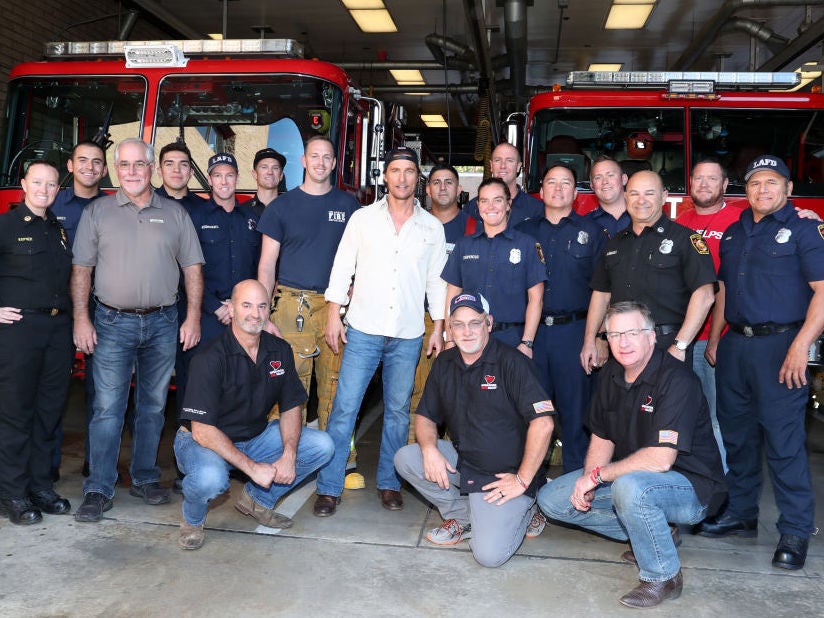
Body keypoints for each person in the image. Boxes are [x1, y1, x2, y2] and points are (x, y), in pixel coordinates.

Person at [538, 301, 726, 609]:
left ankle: (663, 576)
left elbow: (661, 459)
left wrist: (599, 476)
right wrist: (588, 479)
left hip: (691, 485)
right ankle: (656, 534)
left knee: (631, 488)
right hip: (636, 478)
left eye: (632, 333)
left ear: (652, 336)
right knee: (552, 499)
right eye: (614, 335)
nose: (623, 342)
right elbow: (602, 435)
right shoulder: (611, 375)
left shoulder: (677, 380)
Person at [697, 155, 824, 571]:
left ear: (788, 188)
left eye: (772, 182)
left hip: (782, 346)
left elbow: (822, 292)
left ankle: (795, 530)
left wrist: (800, 346)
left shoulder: (806, 230)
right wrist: (716, 339)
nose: (763, 190)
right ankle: (741, 513)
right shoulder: (733, 234)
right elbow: (725, 292)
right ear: (745, 189)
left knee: (784, 443)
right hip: (736, 347)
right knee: (738, 437)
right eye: (755, 183)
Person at [71, 138, 205, 522]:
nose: (132, 172)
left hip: (164, 322)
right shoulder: (97, 212)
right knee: (107, 409)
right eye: (125, 164)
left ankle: (145, 478)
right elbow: (81, 270)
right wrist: (82, 319)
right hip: (111, 322)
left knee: (152, 407)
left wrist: (192, 317)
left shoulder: (176, 213)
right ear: (116, 169)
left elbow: (192, 268)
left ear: (152, 169)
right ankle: (99, 487)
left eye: (139, 164)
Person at [313, 146, 447, 516]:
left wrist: (439, 326)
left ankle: (389, 483)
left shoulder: (431, 228)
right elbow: (342, 267)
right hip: (363, 330)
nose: (402, 178)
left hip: (407, 334)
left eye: (409, 171)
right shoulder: (362, 219)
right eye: (395, 171)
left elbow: (436, 281)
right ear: (384, 177)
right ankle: (329, 486)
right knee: (344, 409)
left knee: (399, 412)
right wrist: (333, 313)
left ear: (417, 177)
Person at [394, 292, 554, 567]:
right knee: (407, 458)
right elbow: (425, 417)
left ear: (489, 323)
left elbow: (544, 422)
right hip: (466, 462)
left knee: (488, 555)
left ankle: (531, 505)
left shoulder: (512, 362)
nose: (466, 331)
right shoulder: (445, 363)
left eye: (475, 323)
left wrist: (522, 479)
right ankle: (463, 516)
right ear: (450, 329)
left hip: (507, 475)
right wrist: (429, 448)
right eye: (458, 324)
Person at [174, 280, 334, 550]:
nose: (255, 314)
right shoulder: (210, 357)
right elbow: (202, 430)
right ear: (232, 310)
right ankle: (192, 519)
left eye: (261, 306)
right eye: (246, 305)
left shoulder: (279, 350)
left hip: (255, 435)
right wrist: (252, 468)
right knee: (210, 480)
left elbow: (291, 405)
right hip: (203, 441)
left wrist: (289, 455)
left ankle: (257, 501)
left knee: (322, 446)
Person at [257, 136, 359, 429]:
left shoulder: (349, 206)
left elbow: (360, 259)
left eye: (327, 157)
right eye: (314, 156)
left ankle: (339, 461)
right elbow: (266, 264)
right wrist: (264, 313)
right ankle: (287, 459)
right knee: (288, 388)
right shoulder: (280, 207)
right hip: (292, 307)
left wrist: (353, 292)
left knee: (336, 388)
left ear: (335, 163)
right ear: (304, 161)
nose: (320, 163)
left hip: (335, 309)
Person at [517, 164, 609, 472]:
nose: (558, 188)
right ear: (541, 191)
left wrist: (599, 337)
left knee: (575, 414)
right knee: (533, 413)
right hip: (533, 336)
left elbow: (606, 288)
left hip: (575, 334)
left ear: (576, 192)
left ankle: (574, 488)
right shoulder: (524, 231)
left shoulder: (593, 233)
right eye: (551, 182)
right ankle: (531, 487)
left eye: (565, 183)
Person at [580, 170, 716, 374]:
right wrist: (593, 339)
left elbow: (705, 296)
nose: (641, 200)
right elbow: (601, 295)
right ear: (625, 197)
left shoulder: (686, 240)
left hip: (666, 348)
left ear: (664, 196)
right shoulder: (615, 243)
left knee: (668, 406)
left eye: (650, 193)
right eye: (634, 193)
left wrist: (679, 346)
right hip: (620, 348)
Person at [0, 161, 75, 525]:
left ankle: (40, 486)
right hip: (20, 331)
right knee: (15, 413)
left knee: (48, 412)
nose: (45, 189)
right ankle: (12, 492)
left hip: (57, 331)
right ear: (23, 184)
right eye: (38, 182)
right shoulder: (6, 225)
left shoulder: (57, 229)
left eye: (51, 184)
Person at [675, 159, 742, 470]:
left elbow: (729, 285)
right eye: (698, 178)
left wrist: (805, 214)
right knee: (682, 415)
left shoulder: (741, 220)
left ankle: (721, 489)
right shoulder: (679, 222)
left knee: (717, 417)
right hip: (679, 339)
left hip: (715, 340)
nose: (703, 184)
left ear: (725, 185)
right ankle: (690, 483)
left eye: (711, 179)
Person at [50, 140, 108, 480]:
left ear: (103, 170)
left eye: (96, 162)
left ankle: (96, 463)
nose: (89, 167)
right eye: (82, 160)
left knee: (101, 392)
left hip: (101, 307)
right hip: (58, 307)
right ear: (70, 166)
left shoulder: (115, 208)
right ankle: (48, 466)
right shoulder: (51, 204)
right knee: (54, 388)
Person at [442, 177, 545, 352]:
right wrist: (450, 339)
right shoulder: (464, 245)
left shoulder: (527, 245)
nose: (491, 207)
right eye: (484, 201)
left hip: (512, 339)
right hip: (469, 340)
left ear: (508, 204)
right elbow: (451, 297)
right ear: (478, 206)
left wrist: (527, 343)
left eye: (497, 200)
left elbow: (537, 299)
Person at [408, 163, 471, 442]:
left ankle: (458, 458)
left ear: (459, 190)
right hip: (422, 320)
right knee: (419, 390)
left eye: (448, 182)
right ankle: (416, 450)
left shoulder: (473, 226)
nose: (442, 187)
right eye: (436, 182)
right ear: (427, 190)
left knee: (461, 391)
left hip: (464, 324)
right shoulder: (414, 224)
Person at [464, 142, 544, 229]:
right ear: (491, 165)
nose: (503, 166)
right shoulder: (472, 208)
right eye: (497, 160)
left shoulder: (536, 208)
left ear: (518, 166)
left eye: (509, 160)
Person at [155, 142, 208, 212]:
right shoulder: (144, 204)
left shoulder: (205, 208)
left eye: (183, 165)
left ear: (191, 172)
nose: (177, 170)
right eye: (169, 164)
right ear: (160, 171)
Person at [586, 155, 630, 238]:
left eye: (610, 175)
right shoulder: (584, 224)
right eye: (598, 177)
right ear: (592, 186)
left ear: (624, 179)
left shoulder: (645, 217)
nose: (605, 182)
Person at [246, 147, 286, 218]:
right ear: (255, 174)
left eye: (275, 168)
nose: (270, 172)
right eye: (264, 167)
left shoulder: (293, 211)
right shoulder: (241, 212)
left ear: (281, 176)